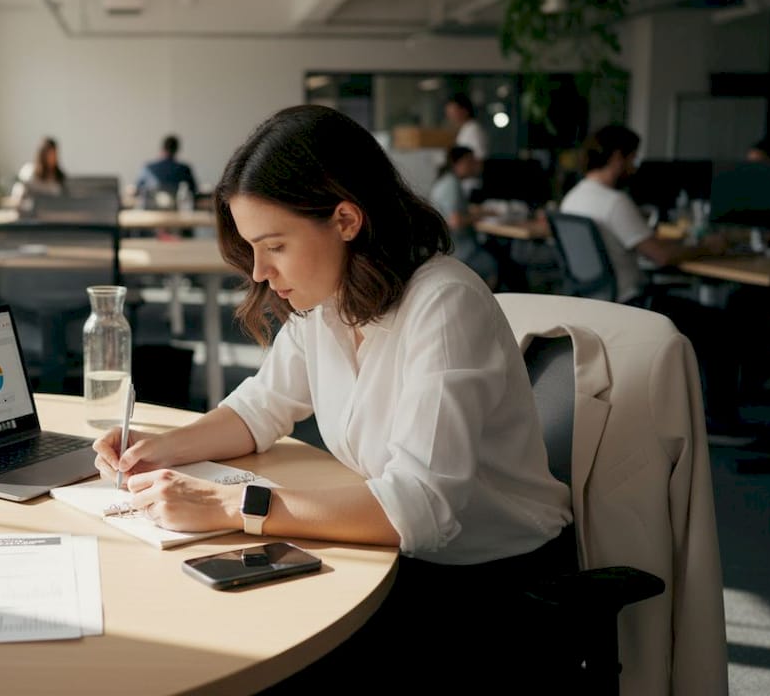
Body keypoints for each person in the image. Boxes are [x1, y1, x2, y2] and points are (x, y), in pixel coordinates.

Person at [92, 104, 575, 690]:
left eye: (274, 245)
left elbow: (420, 510)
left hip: (487, 583)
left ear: (346, 219)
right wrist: (158, 448)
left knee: (270, 657)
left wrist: (227, 505)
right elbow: (258, 409)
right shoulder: (328, 300)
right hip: (395, 556)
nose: (261, 271)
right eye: (251, 248)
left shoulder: (443, 305)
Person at [560, 124, 753, 440]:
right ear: (619, 157)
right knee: (722, 327)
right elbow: (661, 256)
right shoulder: (613, 201)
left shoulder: (574, 197)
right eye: (633, 158)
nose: (635, 167)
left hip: (596, 301)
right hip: (632, 304)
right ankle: (720, 421)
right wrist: (709, 246)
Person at [429, 145, 500, 289]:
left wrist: (480, 213)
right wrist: (478, 217)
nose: (476, 165)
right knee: (497, 262)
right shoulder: (452, 185)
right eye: (471, 161)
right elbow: (456, 221)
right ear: (459, 163)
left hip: (445, 248)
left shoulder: (445, 181)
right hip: (460, 250)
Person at [134, 134, 199, 207]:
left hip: (151, 211)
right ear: (176, 150)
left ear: (162, 148)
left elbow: (137, 190)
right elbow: (194, 191)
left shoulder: (148, 168)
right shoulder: (184, 169)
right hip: (176, 211)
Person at [10, 136, 66, 206]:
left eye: (54, 154)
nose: (51, 158)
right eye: (49, 154)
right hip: (32, 212)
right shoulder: (29, 172)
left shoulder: (59, 175)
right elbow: (17, 196)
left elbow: (64, 198)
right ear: (42, 155)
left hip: (53, 212)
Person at [445, 91, 487, 161]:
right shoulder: (465, 129)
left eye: (452, 112)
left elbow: (480, 157)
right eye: (448, 113)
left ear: (465, 111)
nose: (450, 116)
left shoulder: (474, 130)